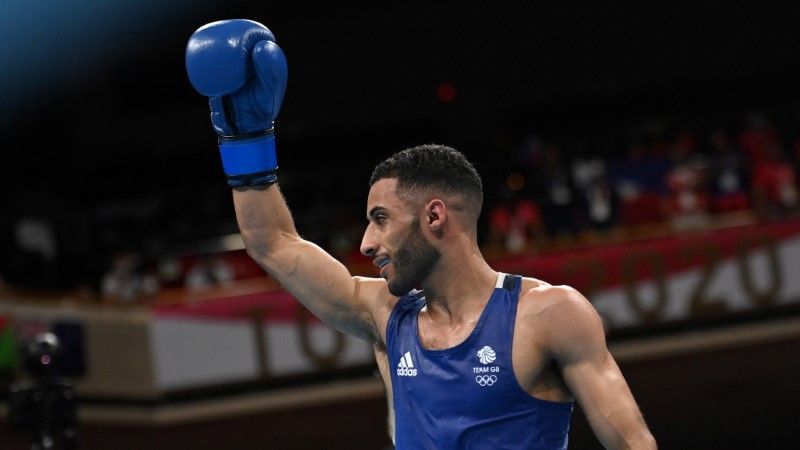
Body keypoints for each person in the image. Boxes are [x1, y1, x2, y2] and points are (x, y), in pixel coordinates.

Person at [185, 19, 657, 449]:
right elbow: (272, 243)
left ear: (434, 218)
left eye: (381, 218)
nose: (367, 243)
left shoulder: (549, 314)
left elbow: (633, 444)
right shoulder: (385, 315)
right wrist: (247, 144)